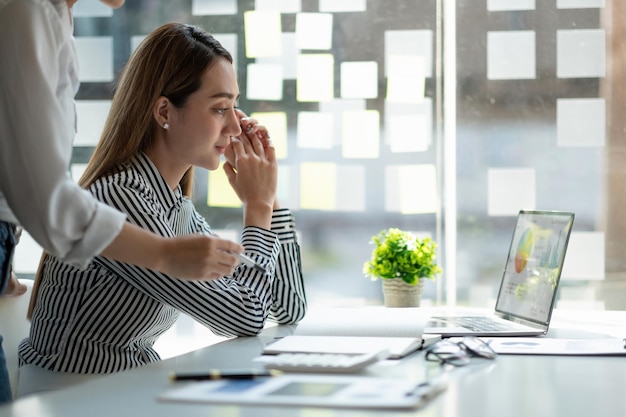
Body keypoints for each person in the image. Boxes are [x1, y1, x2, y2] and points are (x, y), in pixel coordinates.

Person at [17, 22, 307, 397]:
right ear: (164, 111)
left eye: (236, 107)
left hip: (124, 392)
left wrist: (270, 199)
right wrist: (258, 206)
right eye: (220, 108)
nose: (236, 126)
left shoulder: (174, 206)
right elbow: (245, 316)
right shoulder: (119, 199)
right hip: (70, 397)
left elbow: (288, 306)